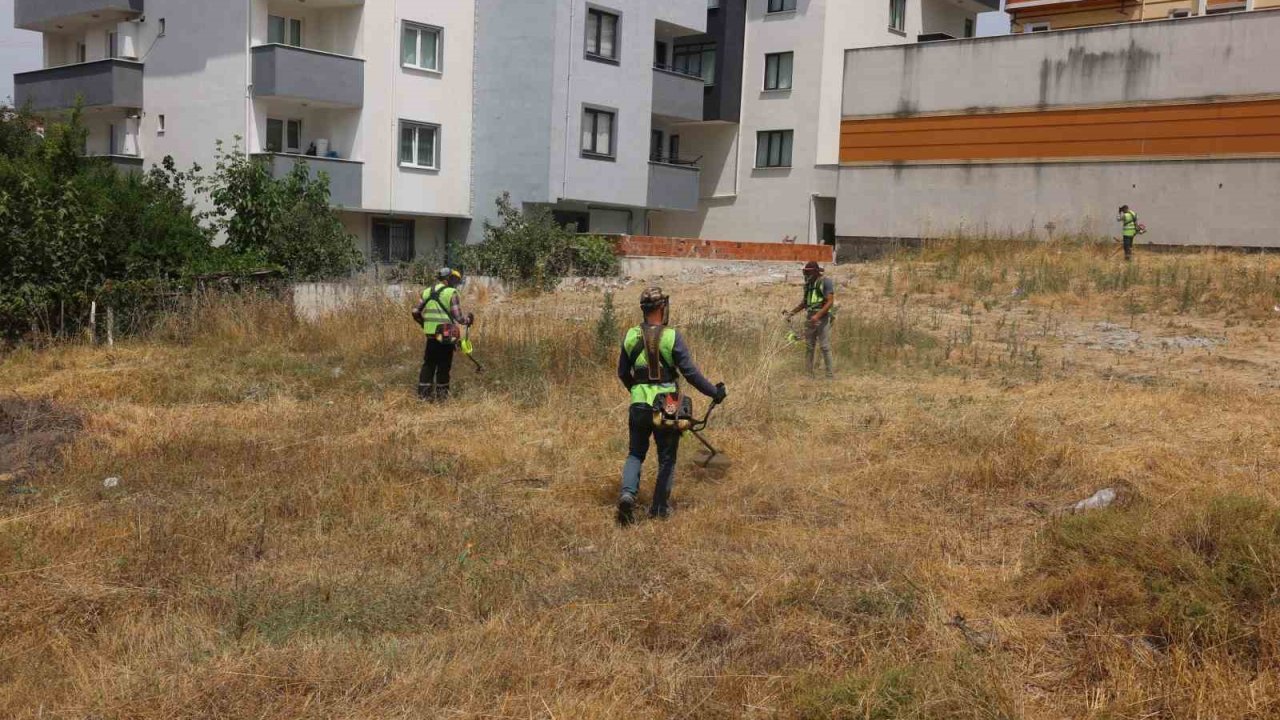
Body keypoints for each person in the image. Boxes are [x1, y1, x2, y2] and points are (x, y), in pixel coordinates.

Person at [617, 287, 726, 523]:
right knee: (667, 458)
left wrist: (637, 391)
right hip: (667, 406)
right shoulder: (671, 336)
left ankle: (627, 495)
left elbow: (623, 372)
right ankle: (658, 509)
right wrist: (714, 392)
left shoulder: (629, 335)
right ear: (661, 308)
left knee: (635, 453)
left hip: (638, 404)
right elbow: (691, 374)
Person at [412, 267, 472, 401]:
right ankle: (442, 397)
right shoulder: (451, 292)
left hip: (431, 335)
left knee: (429, 364)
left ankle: (424, 397)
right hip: (446, 334)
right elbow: (458, 318)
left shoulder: (427, 291)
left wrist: (423, 323)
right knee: (444, 365)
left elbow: (415, 312)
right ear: (448, 279)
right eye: (454, 279)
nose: (455, 282)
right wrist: (468, 320)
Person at [785, 261, 835, 379]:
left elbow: (830, 302)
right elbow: (804, 303)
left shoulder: (826, 282)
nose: (807, 275)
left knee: (824, 346)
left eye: (809, 272)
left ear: (816, 272)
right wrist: (791, 313)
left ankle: (830, 375)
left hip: (822, 318)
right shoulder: (808, 285)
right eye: (805, 272)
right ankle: (809, 374)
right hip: (810, 317)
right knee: (809, 346)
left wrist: (817, 316)